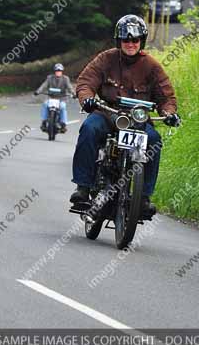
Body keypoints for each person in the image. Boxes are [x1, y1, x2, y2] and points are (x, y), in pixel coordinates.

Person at [71, 14, 180, 218]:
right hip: (107, 114)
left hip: (138, 120)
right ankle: (83, 187)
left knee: (154, 140)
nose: (130, 43)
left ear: (142, 41)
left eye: (135, 39)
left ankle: (144, 198)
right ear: (118, 40)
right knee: (89, 129)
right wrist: (87, 98)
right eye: (126, 40)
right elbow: (86, 82)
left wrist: (169, 114)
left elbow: (166, 97)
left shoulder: (152, 66)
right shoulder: (105, 59)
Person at [34, 63, 75, 133]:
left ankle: (63, 124)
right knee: (45, 104)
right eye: (57, 71)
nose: (58, 72)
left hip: (61, 98)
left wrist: (74, 94)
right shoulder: (49, 78)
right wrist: (38, 91)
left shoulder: (65, 79)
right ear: (54, 71)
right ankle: (44, 121)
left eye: (60, 71)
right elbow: (44, 85)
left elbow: (70, 87)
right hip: (51, 98)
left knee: (62, 107)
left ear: (62, 72)